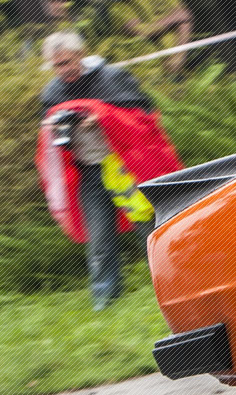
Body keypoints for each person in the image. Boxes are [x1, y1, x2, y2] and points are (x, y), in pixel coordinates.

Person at [38, 31, 179, 310]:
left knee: (148, 226)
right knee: (99, 238)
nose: (63, 70)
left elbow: (143, 116)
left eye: (67, 62)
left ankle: (173, 283)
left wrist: (102, 118)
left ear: (80, 54)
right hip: (87, 172)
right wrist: (52, 127)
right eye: (57, 66)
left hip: (125, 166)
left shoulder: (111, 77)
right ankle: (104, 299)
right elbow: (49, 137)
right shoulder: (51, 93)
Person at [107, 0, 191, 72]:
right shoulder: (117, 7)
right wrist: (172, 19)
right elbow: (140, 32)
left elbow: (185, 20)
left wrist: (179, 56)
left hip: (185, 58)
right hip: (150, 68)